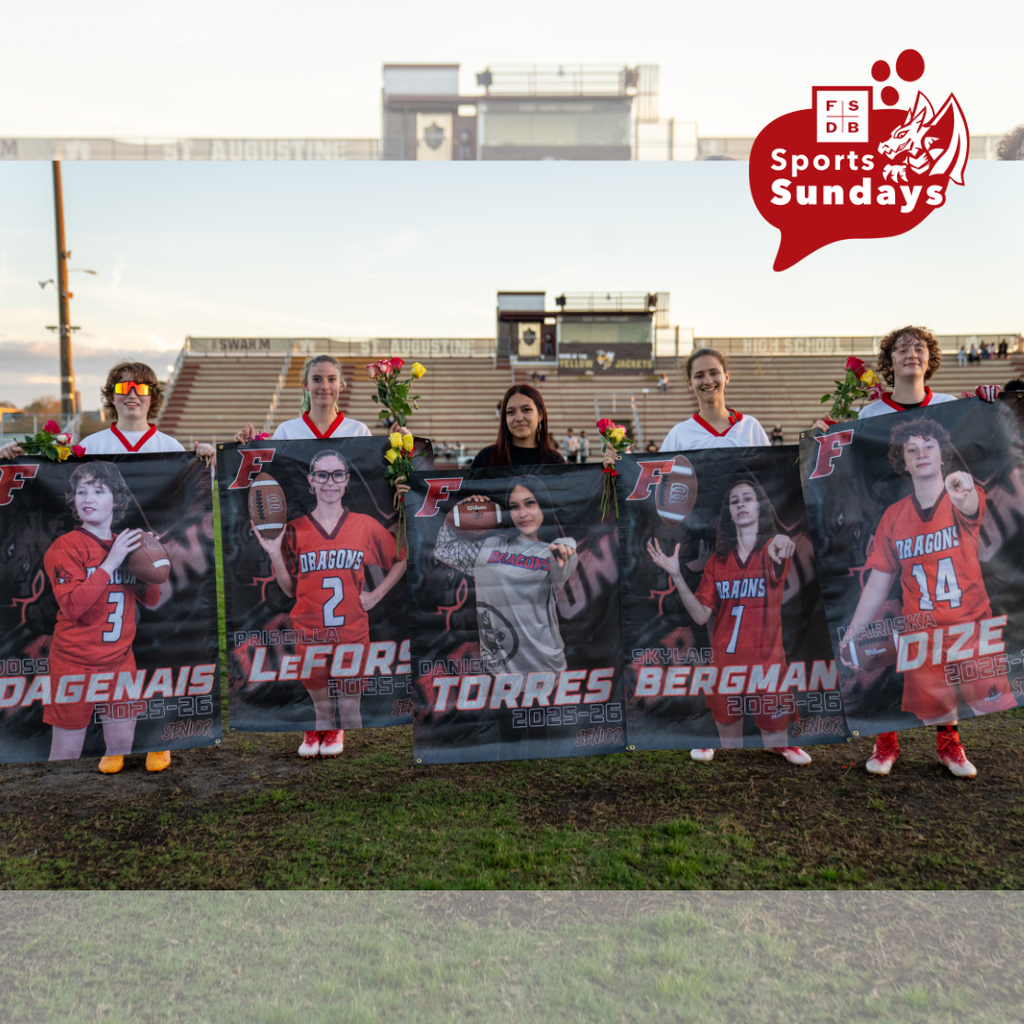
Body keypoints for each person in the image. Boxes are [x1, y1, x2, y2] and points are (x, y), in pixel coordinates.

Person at [1, 360, 215, 774]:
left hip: (140, 569)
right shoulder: (88, 446)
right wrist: (15, 457)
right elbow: (46, 476)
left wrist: (204, 457)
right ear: (112, 394)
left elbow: (189, 500)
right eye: (123, 386)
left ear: (152, 395)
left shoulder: (169, 446)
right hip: (92, 590)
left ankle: (150, 742)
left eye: (140, 387)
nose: (131, 393)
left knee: (161, 652)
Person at [813, 326, 1001, 774]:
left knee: (947, 652)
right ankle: (886, 740)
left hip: (943, 530)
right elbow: (843, 464)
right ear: (889, 361)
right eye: (901, 348)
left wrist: (989, 402)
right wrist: (827, 434)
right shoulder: (870, 411)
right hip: (886, 527)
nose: (911, 354)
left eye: (919, 347)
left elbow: (984, 462)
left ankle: (949, 742)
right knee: (890, 643)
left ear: (929, 358)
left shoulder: (950, 407)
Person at [839, 419, 1016, 777]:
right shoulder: (893, 516)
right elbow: (877, 584)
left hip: (971, 626)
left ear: (943, 455)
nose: (921, 454)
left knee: (985, 704)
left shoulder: (963, 495)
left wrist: (962, 487)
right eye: (912, 449)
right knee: (935, 705)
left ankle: (951, 746)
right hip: (921, 630)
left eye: (929, 446)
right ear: (902, 462)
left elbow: (968, 503)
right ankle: (922, 745)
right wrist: (854, 630)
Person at [252, 450, 407, 758]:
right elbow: (290, 589)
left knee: (350, 710)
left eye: (337, 474)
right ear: (311, 481)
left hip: (351, 633)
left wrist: (376, 595)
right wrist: (273, 555)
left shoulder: (364, 525)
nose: (329, 482)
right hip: (309, 634)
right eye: (322, 475)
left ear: (347, 481)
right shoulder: (294, 528)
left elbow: (401, 559)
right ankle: (320, 731)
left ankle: (354, 766)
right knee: (321, 708)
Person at [647, 479, 811, 766]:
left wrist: (783, 542)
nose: (741, 504)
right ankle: (718, 746)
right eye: (735, 501)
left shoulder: (772, 546)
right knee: (731, 746)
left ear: (759, 508)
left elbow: (781, 546)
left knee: (776, 738)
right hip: (727, 662)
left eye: (747, 498)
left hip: (767, 662)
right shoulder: (717, 561)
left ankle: (782, 746)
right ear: (729, 514)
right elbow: (700, 615)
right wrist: (676, 575)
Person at [41, 462, 162, 766]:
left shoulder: (127, 543)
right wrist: (112, 562)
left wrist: (154, 562)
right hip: (73, 663)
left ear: (116, 499)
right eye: (81, 491)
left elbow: (151, 599)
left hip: (120, 660)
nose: (88, 498)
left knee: (121, 746)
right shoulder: (64, 547)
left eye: (98, 490)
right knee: (66, 753)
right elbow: (72, 606)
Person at [434, 475, 577, 679]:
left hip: (545, 669)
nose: (523, 513)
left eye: (530, 503)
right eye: (514, 506)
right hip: (499, 672)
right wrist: (459, 512)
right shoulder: (487, 545)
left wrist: (567, 545)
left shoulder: (551, 552)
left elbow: (566, 559)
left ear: (543, 505)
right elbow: (444, 550)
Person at [235, 355, 370, 443]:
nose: (324, 386)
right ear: (305, 384)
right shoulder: (286, 432)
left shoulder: (359, 432)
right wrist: (248, 447)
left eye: (331, 379)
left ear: (341, 385)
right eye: (317, 379)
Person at [660, 349, 771, 450]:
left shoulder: (750, 427)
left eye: (714, 373)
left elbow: (770, 469)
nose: (708, 381)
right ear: (690, 383)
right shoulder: (679, 434)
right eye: (699, 376)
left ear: (726, 377)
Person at [471, 384, 565, 468]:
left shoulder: (555, 461)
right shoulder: (485, 458)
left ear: (540, 415)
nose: (519, 418)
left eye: (526, 410)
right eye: (511, 412)